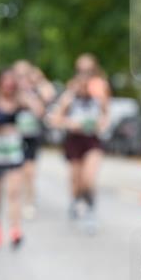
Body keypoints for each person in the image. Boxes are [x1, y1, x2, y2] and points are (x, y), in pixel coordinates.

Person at [0, 67, 44, 249]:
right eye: (5, 83)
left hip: (14, 149)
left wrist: (30, 94)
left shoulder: (20, 99)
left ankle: (15, 230)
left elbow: (39, 112)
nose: (8, 87)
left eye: (12, 83)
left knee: (14, 192)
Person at [49, 54, 110, 235]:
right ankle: (75, 200)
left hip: (92, 140)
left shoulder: (100, 91)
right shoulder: (70, 94)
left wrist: (101, 124)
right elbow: (55, 118)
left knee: (88, 178)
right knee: (76, 180)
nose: (85, 75)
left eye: (88, 71)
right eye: (81, 71)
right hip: (74, 140)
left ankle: (90, 211)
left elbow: (106, 115)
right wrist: (70, 123)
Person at [13, 59, 56, 220]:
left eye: (24, 74)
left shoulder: (36, 91)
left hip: (31, 135)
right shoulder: (11, 91)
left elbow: (46, 101)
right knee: (17, 173)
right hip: (14, 137)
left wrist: (39, 80)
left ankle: (29, 201)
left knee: (29, 172)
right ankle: (17, 199)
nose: (21, 78)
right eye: (18, 75)